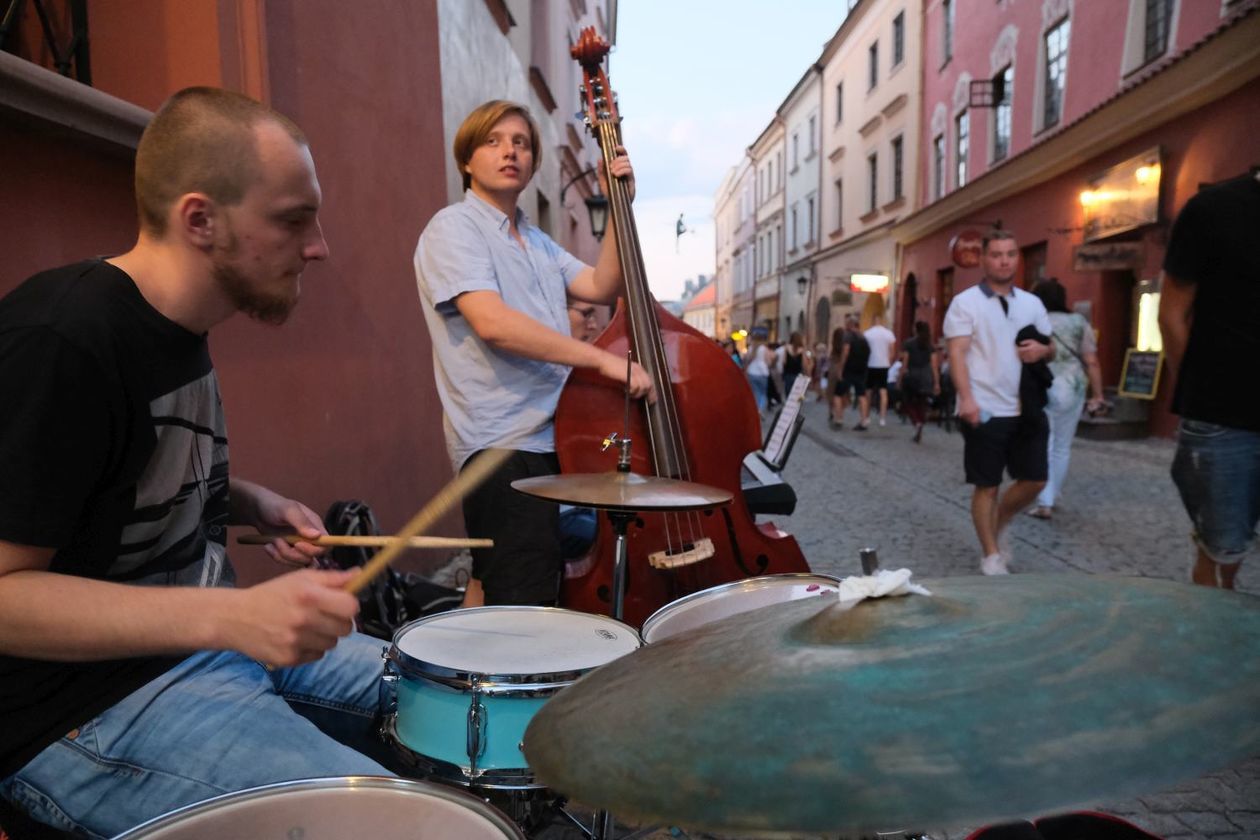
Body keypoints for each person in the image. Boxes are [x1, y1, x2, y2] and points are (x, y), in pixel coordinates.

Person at [0, 88, 395, 838]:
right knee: (391, 826)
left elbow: (106, 475)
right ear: (200, 220)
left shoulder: (179, 320)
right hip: (78, 711)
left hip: (196, 646)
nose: (319, 246)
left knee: (455, 701)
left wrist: (248, 501)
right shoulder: (62, 340)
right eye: (292, 219)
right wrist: (235, 615)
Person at [413, 100, 651, 609]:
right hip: (501, 443)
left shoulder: (537, 241)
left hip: (549, 436)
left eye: (521, 143)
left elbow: (601, 283)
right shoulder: (454, 228)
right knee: (521, 605)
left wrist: (617, 206)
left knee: (502, 587)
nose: (509, 152)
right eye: (493, 141)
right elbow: (493, 324)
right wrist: (604, 361)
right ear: (466, 160)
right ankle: (495, 684)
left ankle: (469, 682)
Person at [1158, 171, 1260, 590]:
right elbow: (1171, 314)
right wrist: (1203, 387)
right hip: (1225, 417)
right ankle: (1212, 641)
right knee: (1222, 551)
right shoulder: (1215, 208)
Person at [943, 229, 1054, 575]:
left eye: (1010, 254)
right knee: (987, 485)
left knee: (1035, 479)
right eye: (996, 254)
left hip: (1027, 407)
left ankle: (1000, 522)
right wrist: (967, 399)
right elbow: (957, 354)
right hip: (985, 407)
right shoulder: (965, 303)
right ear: (984, 259)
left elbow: (1050, 347)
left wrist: (1042, 350)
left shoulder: (1031, 303)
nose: (1004, 260)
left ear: (1016, 259)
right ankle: (991, 554)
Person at [1026, 279, 1106, 520]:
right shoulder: (1079, 322)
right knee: (1062, 446)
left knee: (1044, 444)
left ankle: (1044, 501)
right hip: (1074, 387)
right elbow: (1091, 360)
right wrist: (1098, 394)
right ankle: (1053, 493)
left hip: (1045, 384)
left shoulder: (1036, 321)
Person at [898, 320, 942, 444]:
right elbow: (934, 366)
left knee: (907, 402)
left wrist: (900, 378)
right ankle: (920, 424)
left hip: (912, 375)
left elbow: (905, 363)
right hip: (926, 377)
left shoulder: (908, 343)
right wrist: (937, 382)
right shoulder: (930, 346)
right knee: (921, 403)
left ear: (915, 330)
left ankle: (916, 421)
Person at [830, 314, 871, 430]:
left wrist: (841, 368)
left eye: (847, 324)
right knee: (862, 395)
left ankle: (838, 419)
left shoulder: (848, 336)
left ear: (850, 325)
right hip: (861, 370)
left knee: (838, 394)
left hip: (849, 369)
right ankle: (864, 421)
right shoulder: (864, 338)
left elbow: (846, 352)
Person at [863, 314, 898, 427]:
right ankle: (882, 418)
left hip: (870, 364)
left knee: (868, 392)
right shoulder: (889, 334)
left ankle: (866, 416)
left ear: (873, 321)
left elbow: (864, 350)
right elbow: (892, 351)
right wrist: (889, 362)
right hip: (884, 365)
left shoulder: (867, 334)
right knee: (883, 392)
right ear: (883, 321)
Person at [744, 338, 772, 411]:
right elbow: (769, 361)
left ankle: (755, 408)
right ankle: (760, 409)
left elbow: (746, 359)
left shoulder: (750, 348)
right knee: (763, 393)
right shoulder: (764, 348)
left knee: (755, 392)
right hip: (762, 372)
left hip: (752, 372)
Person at [782, 331, 807, 398]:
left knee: (788, 394)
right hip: (798, 375)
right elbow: (804, 364)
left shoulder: (786, 347)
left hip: (788, 374)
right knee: (796, 396)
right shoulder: (802, 350)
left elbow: (784, 361)